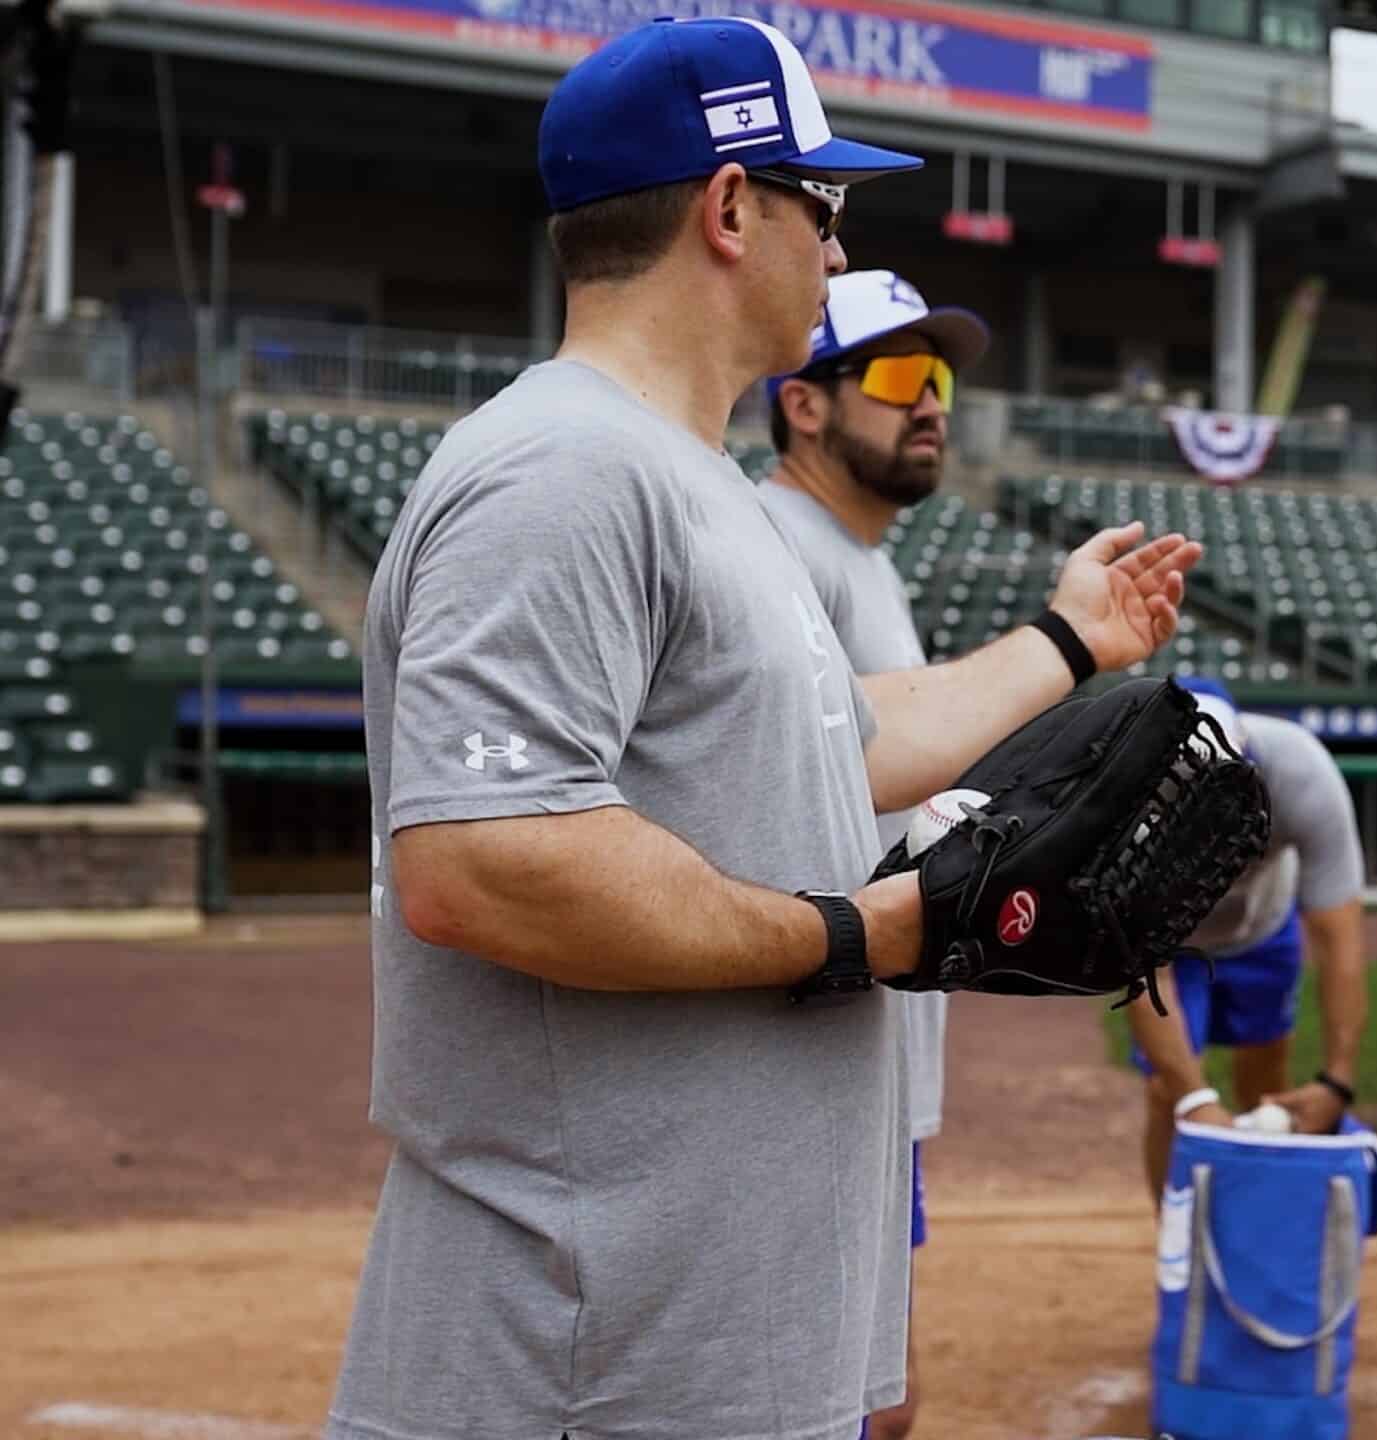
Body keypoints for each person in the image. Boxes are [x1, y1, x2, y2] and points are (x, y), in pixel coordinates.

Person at [327, 19, 1199, 1440]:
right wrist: (862, 931)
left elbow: (835, 744)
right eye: (826, 206)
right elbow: (479, 860)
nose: (839, 253)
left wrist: (1065, 644)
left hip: (686, 1338)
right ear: (732, 207)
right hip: (587, 1357)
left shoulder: (692, 481)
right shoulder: (562, 467)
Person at [755, 266, 992, 1440]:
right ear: (805, 402)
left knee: (873, 1398)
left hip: (871, 1033)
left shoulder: (857, 555)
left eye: (939, 378)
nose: (933, 402)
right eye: (902, 376)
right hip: (813, 1036)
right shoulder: (779, 543)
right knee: (832, 1401)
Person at [1124, 675, 1369, 1201]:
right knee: (1167, 1092)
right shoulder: (1120, 812)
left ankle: (1257, 1223)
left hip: (1263, 926)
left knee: (1267, 1088)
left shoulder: (1300, 771)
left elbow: (1338, 937)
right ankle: (1177, 1243)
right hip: (1173, 946)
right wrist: (1195, 1100)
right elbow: (1148, 973)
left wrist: (1337, 1080)